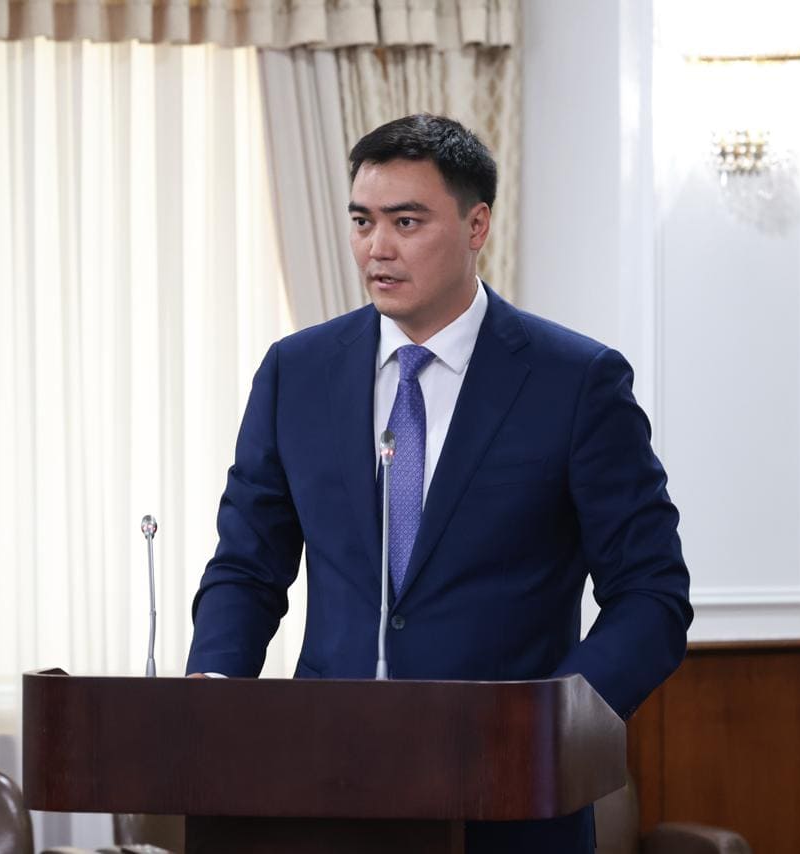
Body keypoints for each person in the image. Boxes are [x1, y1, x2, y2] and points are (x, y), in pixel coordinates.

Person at [185, 113, 692, 853]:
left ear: (476, 224)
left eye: (406, 221)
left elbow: (651, 595)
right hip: (323, 789)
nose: (377, 248)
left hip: (509, 802)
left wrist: (554, 721)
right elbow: (247, 566)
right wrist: (213, 688)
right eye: (362, 221)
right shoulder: (296, 372)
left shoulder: (577, 382)